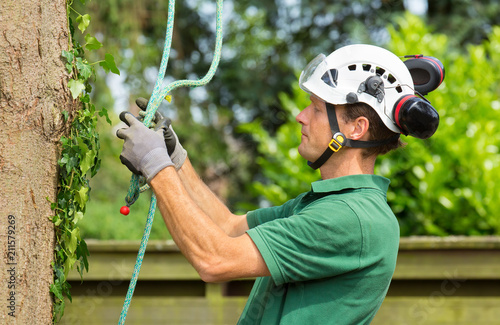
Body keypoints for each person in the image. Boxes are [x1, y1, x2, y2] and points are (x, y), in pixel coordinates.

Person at [116, 44, 443, 324]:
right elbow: (229, 227)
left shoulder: (353, 219)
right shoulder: (328, 206)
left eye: (316, 108)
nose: (301, 116)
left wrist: (156, 167)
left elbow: (215, 260)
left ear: (356, 128)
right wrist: (176, 158)